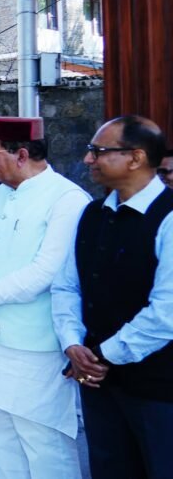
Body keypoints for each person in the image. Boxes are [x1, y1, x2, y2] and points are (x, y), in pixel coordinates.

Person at [0, 116, 89, 478]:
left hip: (35, 347)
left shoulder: (67, 199)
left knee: (44, 444)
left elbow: (47, 270)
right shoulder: (0, 192)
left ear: (20, 155)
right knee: (1, 439)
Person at [52, 115, 173, 478]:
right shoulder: (92, 213)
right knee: (108, 468)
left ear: (136, 157)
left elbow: (166, 312)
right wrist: (73, 342)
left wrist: (101, 355)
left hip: (158, 386)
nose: (88, 159)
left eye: (99, 151)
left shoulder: (168, 217)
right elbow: (67, 285)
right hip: (97, 381)